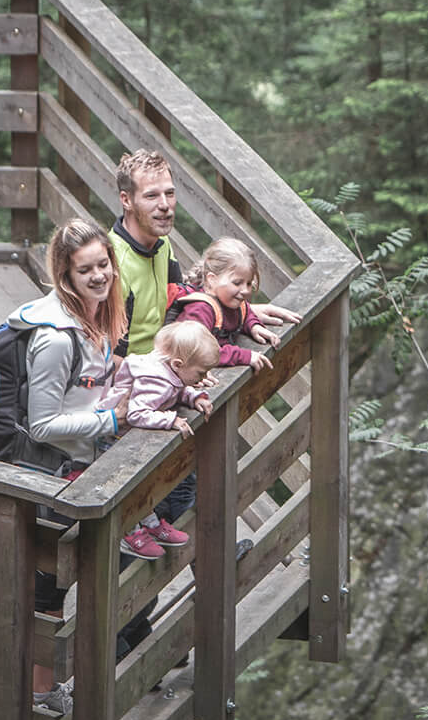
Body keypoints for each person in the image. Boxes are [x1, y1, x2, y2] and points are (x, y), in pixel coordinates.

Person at [107, 150, 300, 531]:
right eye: (152, 196)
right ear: (126, 200)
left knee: (182, 486)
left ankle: (193, 561)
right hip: (133, 397)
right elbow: (107, 353)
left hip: (168, 381)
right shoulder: (115, 263)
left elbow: (188, 300)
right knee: (164, 497)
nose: (165, 206)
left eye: (170, 193)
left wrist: (245, 312)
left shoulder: (162, 247)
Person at [7, 220, 128, 715]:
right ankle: (39, 693)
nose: (99, 276)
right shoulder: (58, 339)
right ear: (65, 275)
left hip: (80, 466)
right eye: (86, 270)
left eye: (104, 264)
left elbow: (89, 385)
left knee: (65, 578)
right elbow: (41, 425)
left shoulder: (99, 321)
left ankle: (51, 684)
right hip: (50, 470)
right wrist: (110, 419)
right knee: (47, 585)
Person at [107, 322, 219, 559]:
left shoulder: (171, 370)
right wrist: (171, 420)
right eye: (201, 373)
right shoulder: (155, 380)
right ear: (178, 364)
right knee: (132, 486)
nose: (205, 377)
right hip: (116, 441)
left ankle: (149, 522)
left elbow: (178, 387)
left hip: (132, 439)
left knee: (147, 483)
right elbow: (135, 414)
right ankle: (130, 530)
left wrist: (195, 396)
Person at [165, 237, 278, 371]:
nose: (245, 290)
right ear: (212, 279)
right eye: (237, 283)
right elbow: (197, 351)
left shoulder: (232, 301)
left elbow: (245, 312)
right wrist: (244, 356)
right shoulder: (200, 309)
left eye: (248, 283)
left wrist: (254, 326)